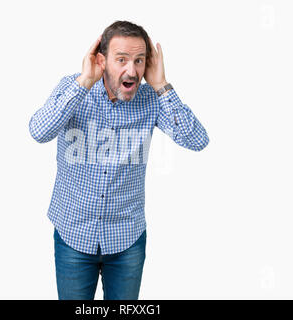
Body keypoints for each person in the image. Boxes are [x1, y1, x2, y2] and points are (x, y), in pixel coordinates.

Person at [29, 20, 209, 300]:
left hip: (127, 240)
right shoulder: (73, 88)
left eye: (139, 60)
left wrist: (161, 86)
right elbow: (39, 131)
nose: (132, 70)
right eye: (121, 59)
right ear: (101, 60)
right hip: (73, 237)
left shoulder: (151, 100)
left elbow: (197, 140)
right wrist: (85, 82)